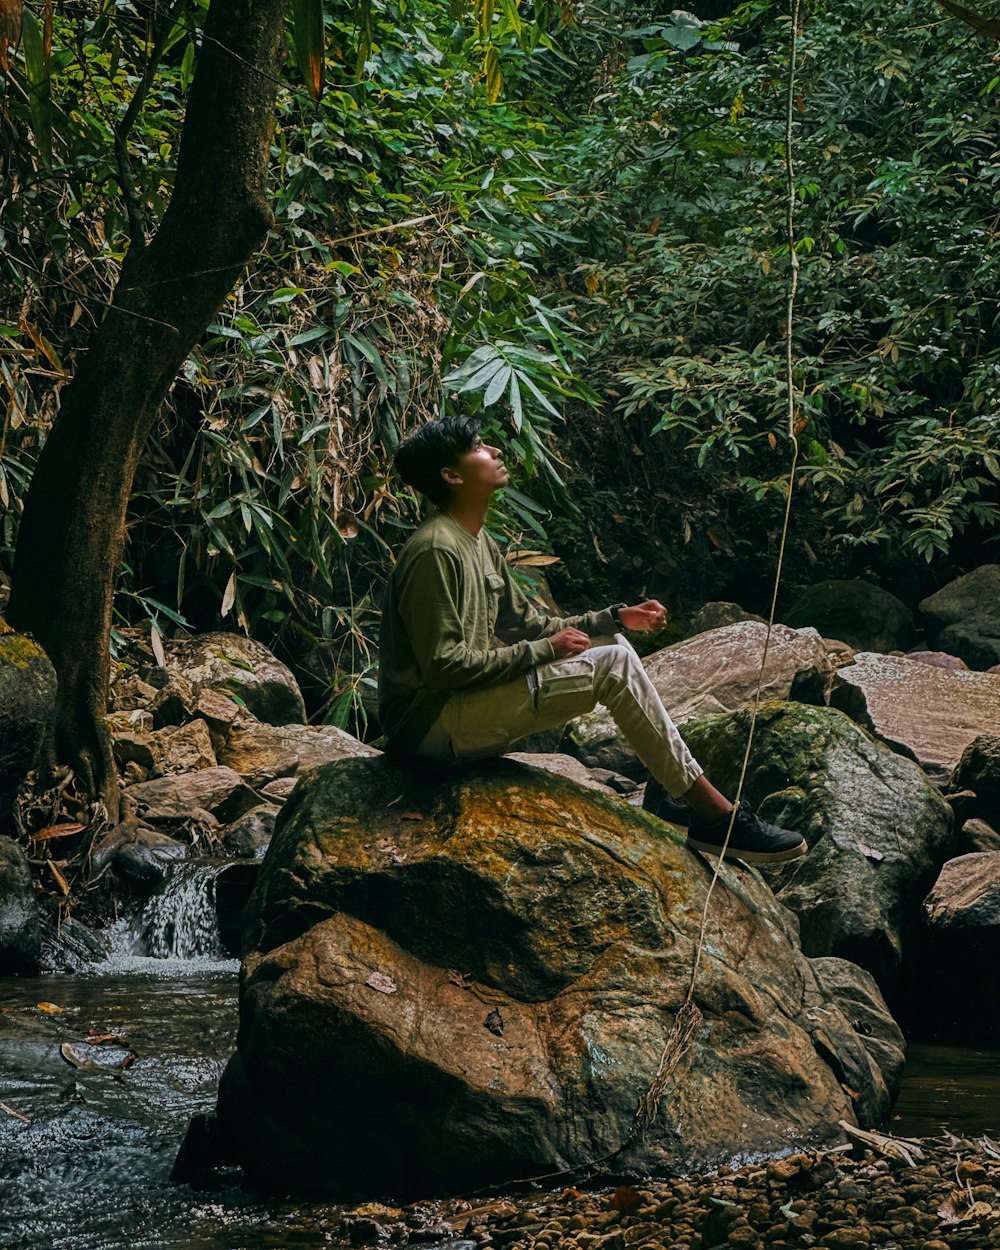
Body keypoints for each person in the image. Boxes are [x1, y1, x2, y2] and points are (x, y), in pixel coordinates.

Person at [377, 416, 807, 864]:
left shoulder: (476, 539)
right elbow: (444, 667)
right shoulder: (435, 550)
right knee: (614, 667)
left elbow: (528, 623)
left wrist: (615, 617)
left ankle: (666, 789)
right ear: (452, 476)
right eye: (481, 448)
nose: (496, 452)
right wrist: (547, 651)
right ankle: (716, 818)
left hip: (456, 711)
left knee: (618, 647)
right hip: (429, 726)